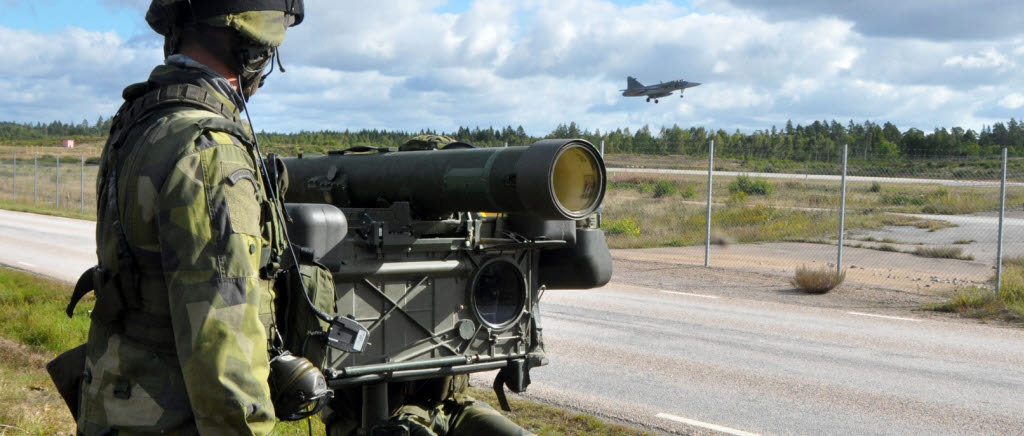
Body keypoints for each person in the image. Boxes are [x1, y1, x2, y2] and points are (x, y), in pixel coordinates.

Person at [64, 1, 303, 434]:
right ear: (253, 52)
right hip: (172, 418)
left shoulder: (142, 123)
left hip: (117, 405)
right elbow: (224, 353)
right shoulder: (211, 151)